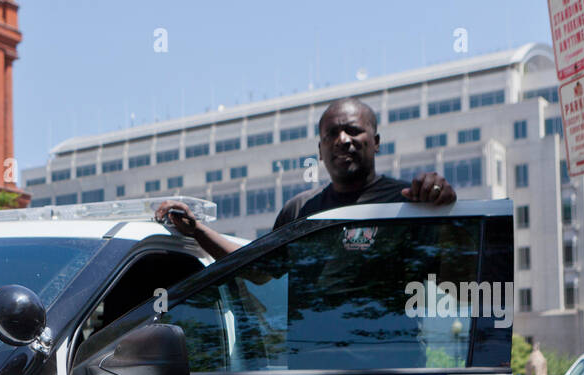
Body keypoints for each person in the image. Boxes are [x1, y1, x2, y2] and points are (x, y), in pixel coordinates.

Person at [155, 97, 458, 260]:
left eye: (353, 130)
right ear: (320, 150)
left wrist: (444, 205)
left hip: (392, 368)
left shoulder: (407, 201)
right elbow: (257, 268)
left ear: (376, 141)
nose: (342, 140)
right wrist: (197, 230)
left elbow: (455, 277)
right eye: (331, 135)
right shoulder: (299, 211)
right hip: (310, 372)